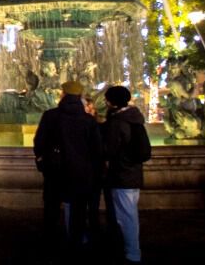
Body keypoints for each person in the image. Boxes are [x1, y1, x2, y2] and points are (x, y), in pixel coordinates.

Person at [33, 80, 102, 254]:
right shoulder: (88, 120)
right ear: (79, 97)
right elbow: (97, 149)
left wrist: (42, 160)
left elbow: (39, 142)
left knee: (51, 208)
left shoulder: (50, 116)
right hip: (80, 172)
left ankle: (50, 244)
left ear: (63, 95)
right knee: (78, 209)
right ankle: (75, 244)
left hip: (54, 170)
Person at [102, 85, 148, 265]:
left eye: (107, 99)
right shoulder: (135, 119)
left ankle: (132, 253)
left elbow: (109, 150)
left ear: (111, 102)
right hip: (134, 173)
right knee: (128, 214)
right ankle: (128, 249)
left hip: (121, 174)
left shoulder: (117, 122)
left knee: (126, 217)